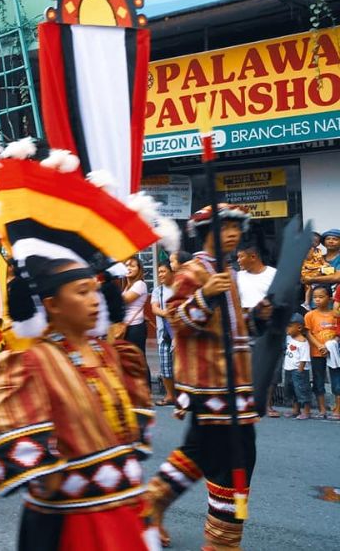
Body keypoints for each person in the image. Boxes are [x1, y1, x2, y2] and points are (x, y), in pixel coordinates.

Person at [0, 256, 154, 550]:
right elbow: (5, 427)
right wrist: (48, 473)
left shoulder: (111, 354)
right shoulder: (33, 363)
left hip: (124, 510)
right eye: (82, 292)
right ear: (52, 304)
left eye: (95, 290)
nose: (95, 300)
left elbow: (132, 430)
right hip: (71, 521)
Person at [146, 205, 258, 551]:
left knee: (198, 453)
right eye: (225, 228)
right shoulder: (193, 271)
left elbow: (231, 328)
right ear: (206, 233)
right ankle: (221, 542)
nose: (233, 234)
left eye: (237, 228)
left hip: (234, 383)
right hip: (210, 386)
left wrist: (262, 317)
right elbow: (178, 322)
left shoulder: (227, 271)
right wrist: (205, 295)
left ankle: (149, 509)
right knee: (231, 462)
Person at [302, 285, 335, 419]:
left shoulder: (335, 314)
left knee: (336, 380)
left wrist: (329, 345)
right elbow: (307, 332)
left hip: (334, 353)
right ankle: (322, 410)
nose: (317, 300)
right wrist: (319, 345)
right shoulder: (310, 315)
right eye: (315, 297)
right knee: (318, 380)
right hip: (316, 352)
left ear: (330, 298)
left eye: (321, 297)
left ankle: (336, 409)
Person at [119, 256, 150, 386]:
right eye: (126, 266)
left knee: (138, 357)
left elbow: (124, 300)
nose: (129, 268)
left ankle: (146, 387)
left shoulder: (140, 284)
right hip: (128, 326)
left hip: (135, 327)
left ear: (139, 269)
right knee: (129, 358)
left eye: (132, 266)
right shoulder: (127, 286)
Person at [151, 261, 177, 406]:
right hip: (164, 334)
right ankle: (170, 396)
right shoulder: (157, 291)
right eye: (159, 272)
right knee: (165, 366)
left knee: (181, 367)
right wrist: (166, 313)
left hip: (180, 333)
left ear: (172, 272)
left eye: (163, 271)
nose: (160, 274)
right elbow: (154, 308)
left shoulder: (179, 288)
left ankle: (183, 396)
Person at [284, 314, 312, 419]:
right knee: (291, 390)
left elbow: (304, 359)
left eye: (290, 326)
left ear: (299, 328)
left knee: (302, 389)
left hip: (298, 370)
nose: (287, 328)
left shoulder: (303, 342)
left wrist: (300, 371)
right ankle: (295, 410)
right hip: (288, 369)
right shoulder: (289, 338)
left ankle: (307, 411)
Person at [236, 244, 276, 312]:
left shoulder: (274, 274)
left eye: (241, 257)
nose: (238, 260)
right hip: (246, 319)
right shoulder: (237, 276)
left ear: (253, 257)